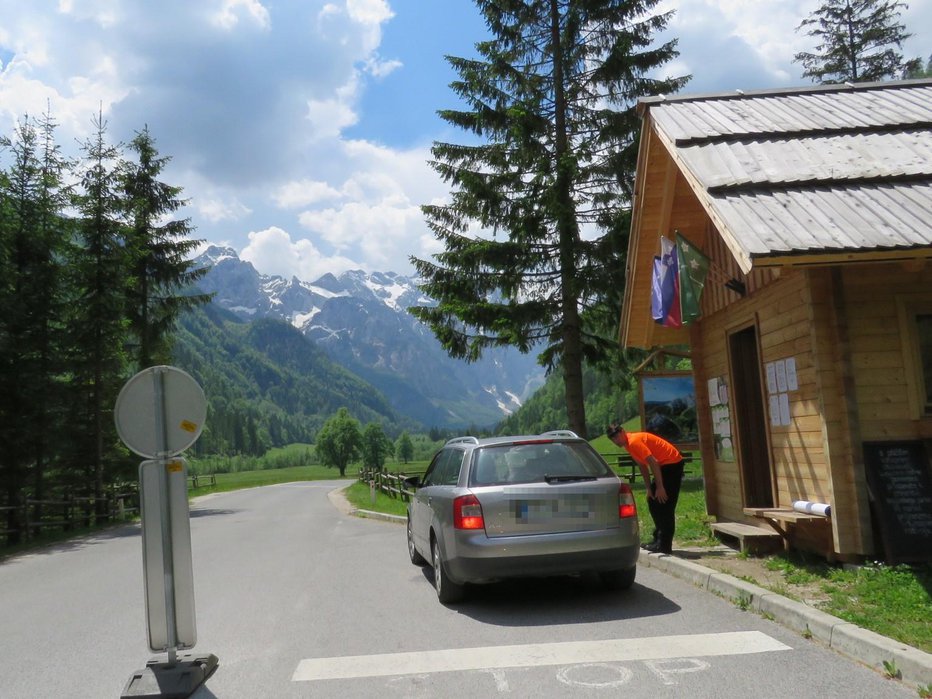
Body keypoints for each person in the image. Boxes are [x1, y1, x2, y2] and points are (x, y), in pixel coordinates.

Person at [607, 423, 685, 554]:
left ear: (623, 431)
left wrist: (660, 487)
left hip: (672, 464)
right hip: (664, 465)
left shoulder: (633, 442)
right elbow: (642, 466)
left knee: (664, 503)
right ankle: (658, 539)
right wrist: (649, 488)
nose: (616, 440)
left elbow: (653, 462)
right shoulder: (628, 445)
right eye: (613, 438)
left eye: (617, 436)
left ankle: (664, 545)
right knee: (653, 501)